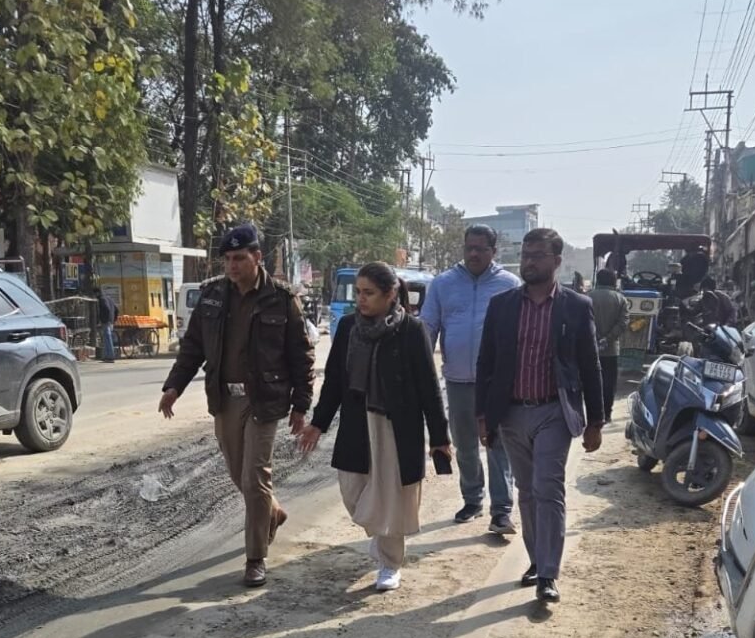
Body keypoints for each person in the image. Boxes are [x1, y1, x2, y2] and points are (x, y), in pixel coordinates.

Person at [159, 222, 314, 588]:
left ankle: (255, 558)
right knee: (237, 473)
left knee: (255, 477)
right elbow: (193, 347)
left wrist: (301, 404)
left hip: (265, 399)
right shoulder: (213, 296)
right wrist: (174, 386)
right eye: (228, 259)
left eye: (240, 258)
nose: (232, 265)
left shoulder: (281, 298)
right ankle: (272, 512)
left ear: (257, 257)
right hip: (224, 398)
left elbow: (301, 355)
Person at [300, 262, 451, 592]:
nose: (361, 299)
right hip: (357, 423)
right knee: (352, 490)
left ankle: (389, 563)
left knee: (391, 497)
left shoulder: (412, 331)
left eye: (368, 293)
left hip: (397, 427)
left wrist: (439, 437)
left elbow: (429, 387)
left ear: (390, 294)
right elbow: (334, 381)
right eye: (358, 292)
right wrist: (317, 423)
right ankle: (380, 535)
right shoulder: (348, 327)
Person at [475, 227, 604, 606]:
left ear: (556, 261)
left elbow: (590, 365)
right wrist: (482, 414)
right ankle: (537, 558)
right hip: (512, 413)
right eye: (525, 255)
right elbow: (486, 363)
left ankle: (548, 573)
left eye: (537, 256)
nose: (529, 262)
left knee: (548, 488)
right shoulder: (502, 306)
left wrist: (596, 421)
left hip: (554, 410)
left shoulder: (575, 306)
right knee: (527, 491)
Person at [421, 225, 518, 532]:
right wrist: (420, 369)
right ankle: (473, 499)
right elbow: (428, 328)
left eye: (481, 249)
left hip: (497, 384)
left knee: (498, 444)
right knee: (464, 445)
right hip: (458, 380)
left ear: (494, 251)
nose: (474, 254)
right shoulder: (443, 284)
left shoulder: (509, 285)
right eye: (469, 248)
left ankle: (501, 510)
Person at [589, 268, 631, 423]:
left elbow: (584, 321)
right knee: (609, 383)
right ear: (614, 281)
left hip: (590, 348)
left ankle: (592, 415)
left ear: (598, 280)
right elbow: (623, 323)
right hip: (611, 350)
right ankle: (606, 414)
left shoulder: (588, 297)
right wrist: (607, 339)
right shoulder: (621, 299)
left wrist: (595, 337)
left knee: (590, 381)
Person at [96, 287, 118, 363]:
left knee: (107, 339)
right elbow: (116, 309)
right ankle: (106, 356)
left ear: (97, 293)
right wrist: (114, 319)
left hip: (106, 322)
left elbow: (106, 309)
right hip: (111, 321)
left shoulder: (102, 299)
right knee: (106, 339)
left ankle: (110, 357)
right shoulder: (109, 298)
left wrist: (104, 320)